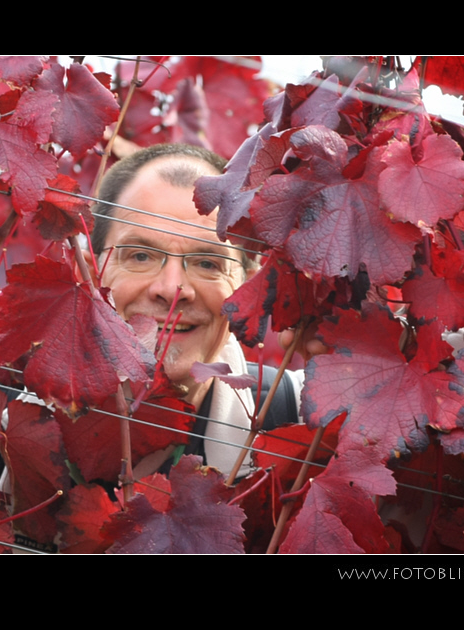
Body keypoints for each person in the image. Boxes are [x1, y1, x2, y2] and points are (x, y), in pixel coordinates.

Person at [88, 143, 303, 476]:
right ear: (89, 273)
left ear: (250, 286)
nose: (173, 289)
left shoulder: (298, 421)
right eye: (140, 256)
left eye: (207, 263)